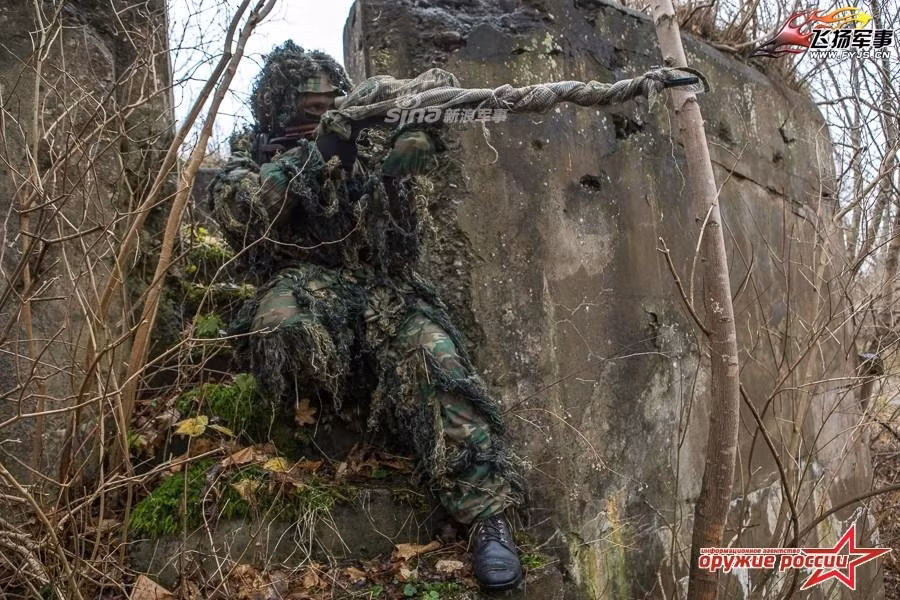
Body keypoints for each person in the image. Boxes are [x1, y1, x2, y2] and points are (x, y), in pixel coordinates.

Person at [209, 41, 526, 591]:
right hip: (304, 283)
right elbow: (243, 210)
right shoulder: (251, 154)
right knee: (282, 328)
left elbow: (441, 92)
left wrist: (417, 137)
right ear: (279, 107)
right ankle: (334, 409)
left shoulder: (366, 136)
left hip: (382, 290)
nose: (324, 112)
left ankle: (485, 515)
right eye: (310, 107)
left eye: (331, 103)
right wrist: (315, 153)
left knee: (433, 352)